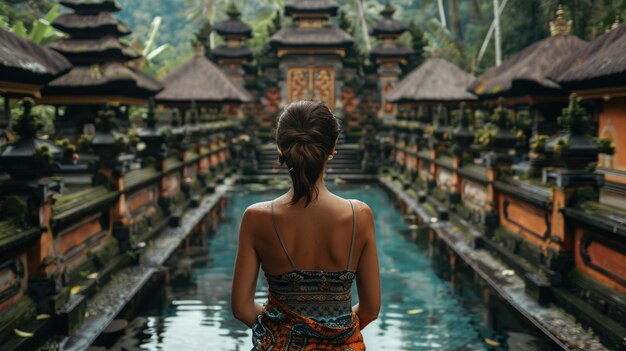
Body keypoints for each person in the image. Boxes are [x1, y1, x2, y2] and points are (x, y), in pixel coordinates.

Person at [231, 100, 381, 350]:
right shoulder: (359, 216)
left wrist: (283, 330)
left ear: (281, 147)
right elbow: (370, 310)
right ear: (332, 148)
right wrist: (329, 333)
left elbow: (241, 308)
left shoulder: (255, 218)